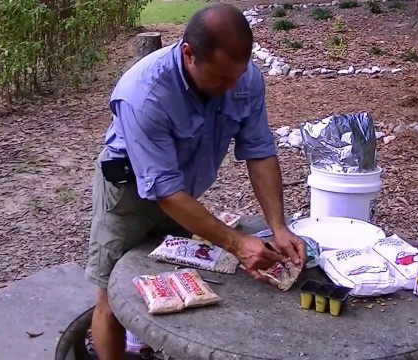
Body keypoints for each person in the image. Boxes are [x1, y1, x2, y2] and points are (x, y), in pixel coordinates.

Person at [85, 3, 307, 359]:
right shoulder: (144, 94)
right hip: (128, 197)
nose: (232, 86)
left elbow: (260, 151)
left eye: (237, 75)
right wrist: (236, 243)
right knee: (113, 296)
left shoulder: (243, 78)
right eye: (221, 78)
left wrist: (278, 227)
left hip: (184, 198)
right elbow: (163, 190)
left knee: (177, 287)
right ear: (189, 54)